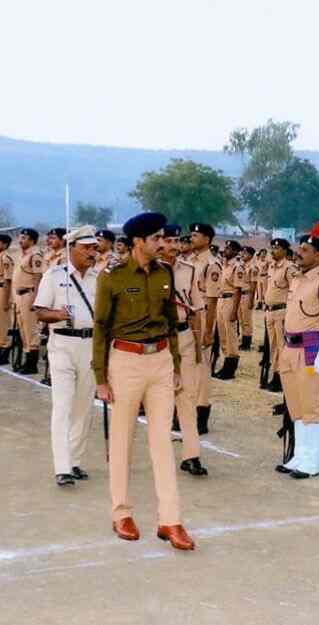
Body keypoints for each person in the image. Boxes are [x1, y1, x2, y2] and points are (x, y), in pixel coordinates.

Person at [93, 211, 194, 551]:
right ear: (138, 242)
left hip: (161, 361)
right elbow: (101, 328)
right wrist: (100, 377)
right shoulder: (112, 277)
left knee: (162, 442)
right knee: (122, 440)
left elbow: (171, 323)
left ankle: (171, 520)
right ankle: (121, 513)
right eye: (157, 239)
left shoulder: (165, 273)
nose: (163, 243)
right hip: (125, 362)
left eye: (164, 238)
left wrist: (175, 365)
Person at [34, 226, 99, 487]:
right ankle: (62, 467)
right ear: (72, 248)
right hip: (62, 344)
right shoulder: (54, 275)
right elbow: (40, 311)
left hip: (90, 346)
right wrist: (57, 315)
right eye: (86, 248)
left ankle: (75, 461)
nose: (92, 253)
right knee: (63, 405)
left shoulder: (99, 278)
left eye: (94, 248)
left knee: (84, 406)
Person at [274, 231, 319, 479]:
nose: (298, 253)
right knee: (295, 405)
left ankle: (313, 461)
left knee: (310, 405)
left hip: (312, 346)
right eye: (299, 249)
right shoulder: (297, 280)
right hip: (290, 346)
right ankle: (300, 455)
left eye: (305, 250)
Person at [160, 224, 207, 476]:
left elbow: (196, 309)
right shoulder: (147, 270)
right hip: (157, 341)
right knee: (158, 399)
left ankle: (191, 455)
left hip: (184, 336)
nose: (173, 245)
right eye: (168, 240)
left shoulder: (188, 270)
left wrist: (198, 344)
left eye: (177, 240)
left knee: (187, 397)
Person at [188, 223, 215, 432]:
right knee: (188, 363)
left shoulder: (211, 264)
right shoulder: (189, 260)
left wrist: (208, 332)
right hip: (189, 315)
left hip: (203, 315)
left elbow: (212, 300)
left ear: (207, 239)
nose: (192, 238)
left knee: (202, 366)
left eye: (196, 235)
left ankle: (201, 411)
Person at [206, 240, 246, 380]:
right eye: (226, 248)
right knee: (223, 335)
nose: (225, 250)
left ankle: (230, 368)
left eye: (228, 248)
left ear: (235, 251)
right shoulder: (223, 265)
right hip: (220, 300)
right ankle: (225, 364)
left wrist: (234, 311)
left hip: (230, 300)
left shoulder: (237, 267)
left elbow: (238, 290)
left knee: (231, 335)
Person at [263, 238, 298, 392]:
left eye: (277, 248)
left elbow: (295, 291)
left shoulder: (289, 268)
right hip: (270, 311)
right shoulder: (271, 267)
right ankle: (276, 374)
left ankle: (283, 378)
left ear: (284, 250)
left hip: (282, 312)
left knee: (282, 347)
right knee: (273, 346)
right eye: (272, 248)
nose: (273, 251)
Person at [12, 228, 44, 374]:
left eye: (24, 238)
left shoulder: (35, 255)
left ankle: (32, 363)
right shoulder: (22, 255)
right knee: (23, 329)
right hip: (20, 296)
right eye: (20, 237)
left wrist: (35, 300)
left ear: (32, 241)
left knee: (31, 330)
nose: (20, 240)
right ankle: (26, 360)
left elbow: (38, 278)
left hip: (29, 295)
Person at [238, 246, 257, 351]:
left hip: (247, 295)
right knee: (241, 319)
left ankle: (247, 343)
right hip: (240, 295)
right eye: (242, 253)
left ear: (250, 255)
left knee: (247, 320)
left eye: (244, 253)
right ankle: (243, 340)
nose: (242, 255)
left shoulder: (253, 267)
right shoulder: (242, 266)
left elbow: (253, 284)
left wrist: (251, 300)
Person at [0, 233, 14, 364]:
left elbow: (8, 280)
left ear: (4, 244)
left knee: (3, 323)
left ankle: (4, 350)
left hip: (3, 290)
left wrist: (5, 300)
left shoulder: (5, 258)